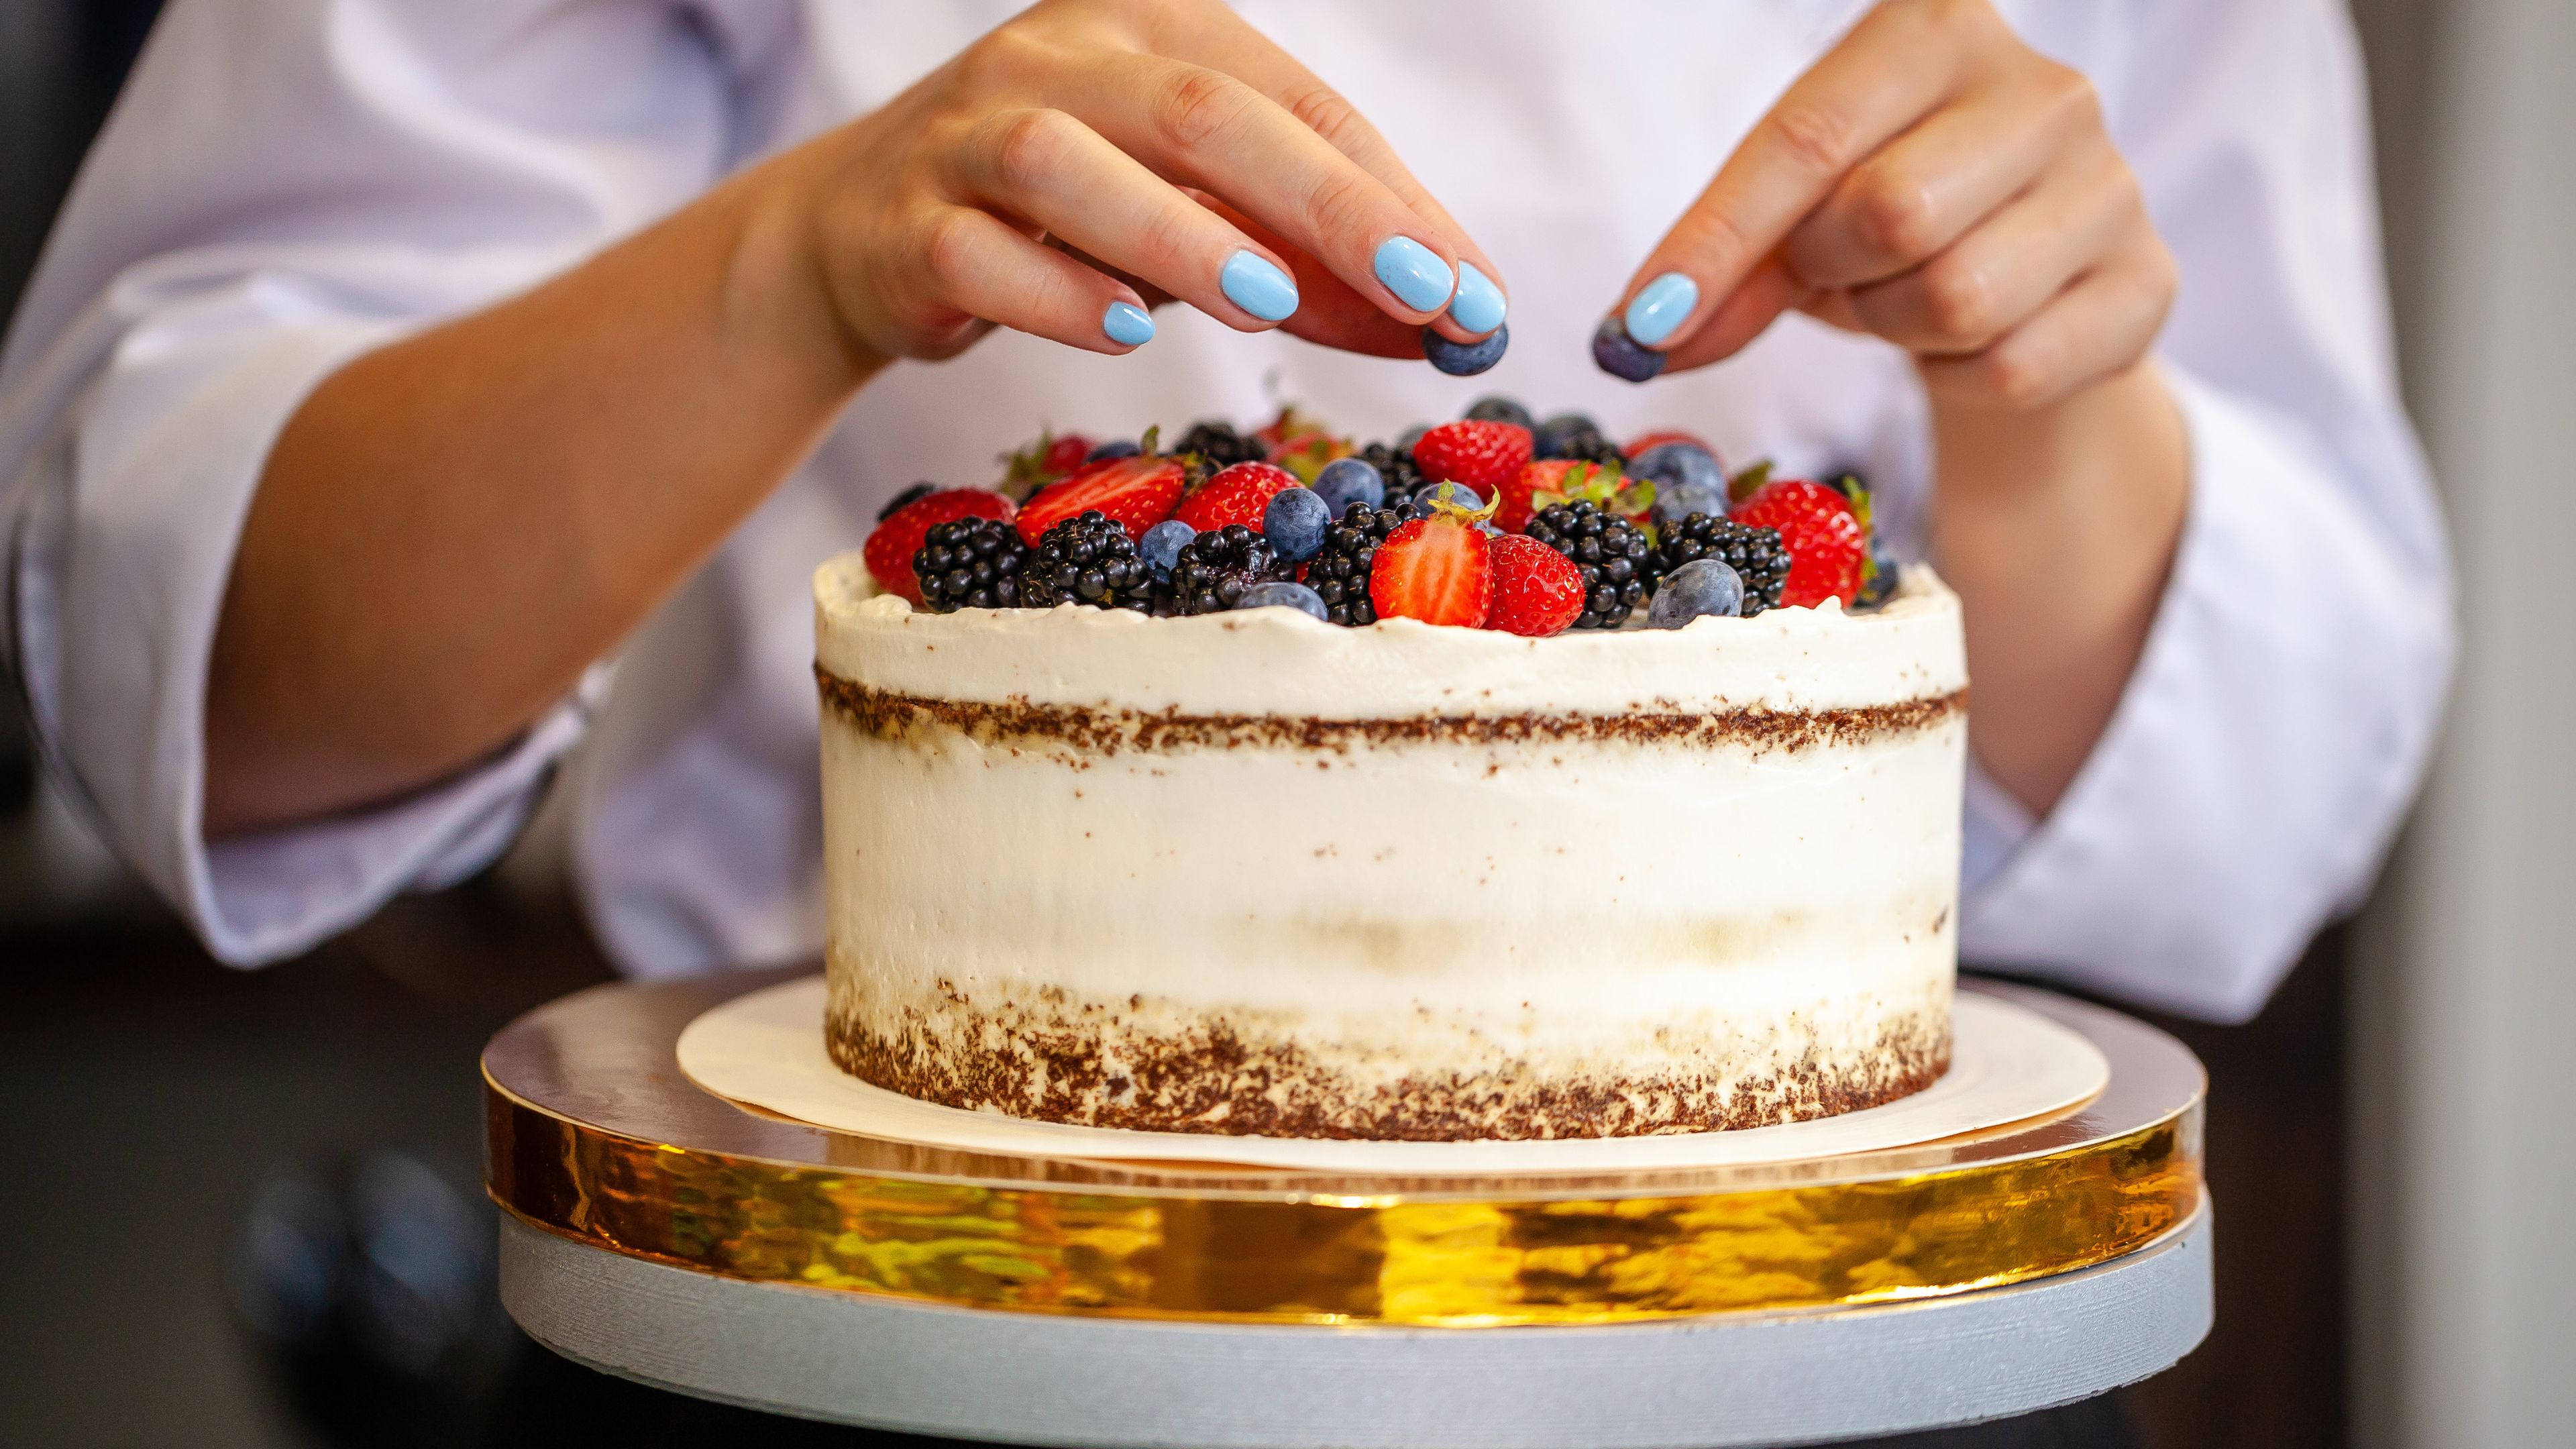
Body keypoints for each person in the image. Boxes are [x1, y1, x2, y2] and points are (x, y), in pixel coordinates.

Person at [0, 0, 2445, 1019]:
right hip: (888, 1316)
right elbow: (202, 642)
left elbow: (2258, 781)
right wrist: (796, 263)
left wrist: (2035, 392)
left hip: (1824, 1341)